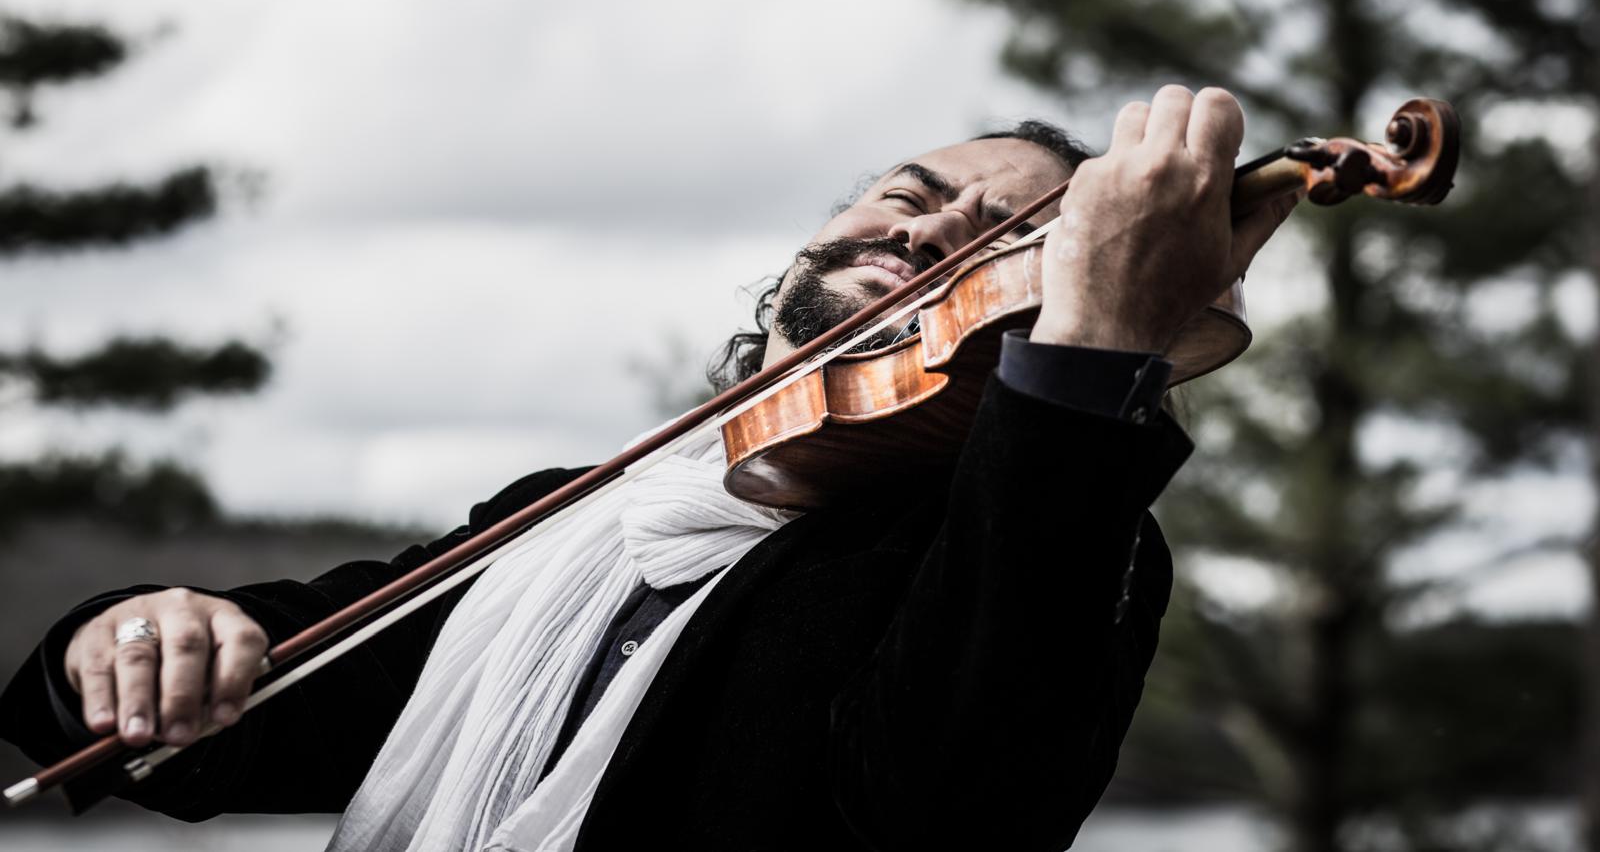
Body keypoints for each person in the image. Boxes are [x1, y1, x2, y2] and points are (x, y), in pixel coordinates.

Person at [1, 85, 1297, 850]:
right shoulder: (575, 521)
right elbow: (263, 695)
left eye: (1010, 231)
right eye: (910, 189)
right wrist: (125, 640)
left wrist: (1094, 356)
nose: (939, 218)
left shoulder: (1042, 559)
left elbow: (944, 802)